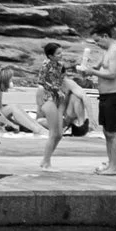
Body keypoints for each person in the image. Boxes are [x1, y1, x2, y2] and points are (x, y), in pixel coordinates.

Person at [79, 20, 116, 176]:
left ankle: (115, 167)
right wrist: (86, 69)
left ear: (105, 36)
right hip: (104, 96)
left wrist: (93, 72)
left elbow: (112, 74)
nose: (97, 44)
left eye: (98, 41)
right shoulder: (106, 51)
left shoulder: (115, 51)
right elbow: (97, 67)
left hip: (114, 96)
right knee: (107, 132)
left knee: (113, 133)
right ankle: (110, 163)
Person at [32, 41, 86, 170]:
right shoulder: (45, 66)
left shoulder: (61, 66)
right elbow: (41, 82)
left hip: (59, 99)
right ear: (50, 56)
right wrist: (54, 90)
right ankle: (46, 162)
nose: (61, 55)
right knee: (54, 133)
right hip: (48, 99)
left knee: (59, 134)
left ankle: (46, 160)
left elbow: (62, 80)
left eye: (62, 52)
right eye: (58, 53)